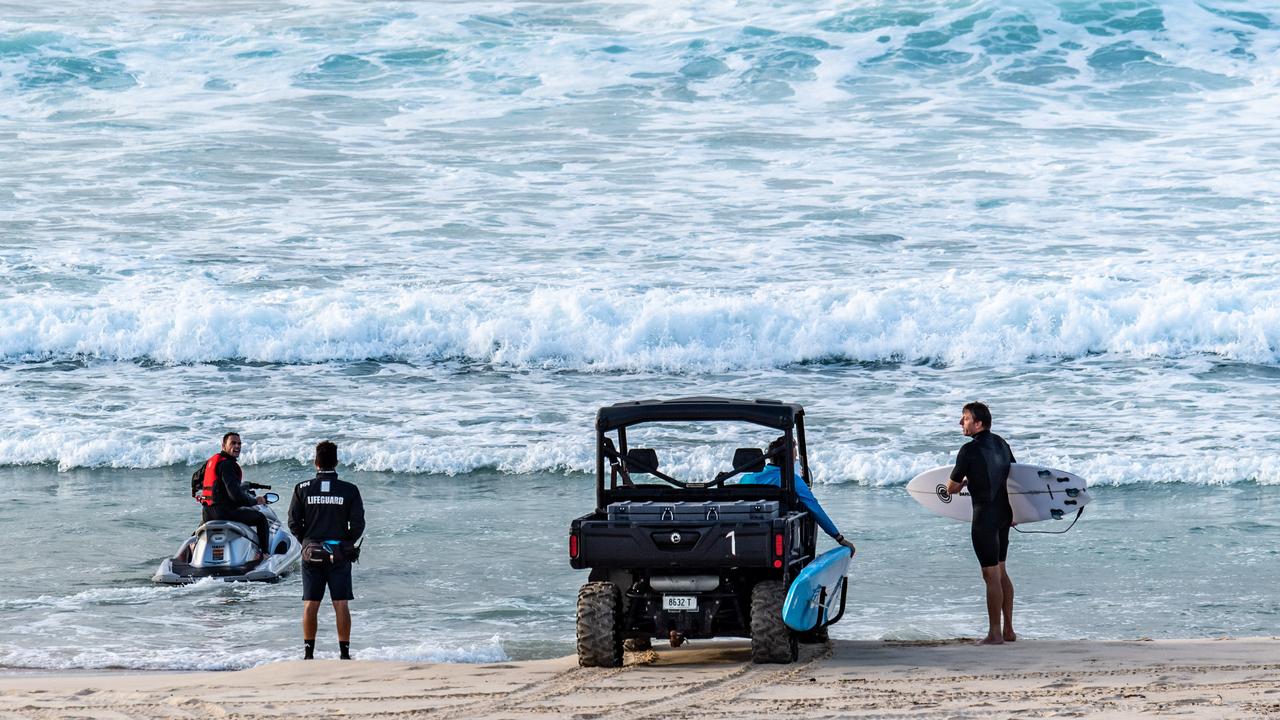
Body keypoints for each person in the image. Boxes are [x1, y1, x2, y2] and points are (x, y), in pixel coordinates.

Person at [946, 401, 1017, 645]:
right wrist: (1019, 512)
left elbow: (952, 487)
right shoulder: (1002, 444)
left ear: (978, 423)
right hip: (1004, 514)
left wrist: (961, 484)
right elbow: (1015, 476)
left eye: (964, 418)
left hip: (985, 517)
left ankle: (994, 633)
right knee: (1001, 570)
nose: (960, 422)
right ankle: (1009, 630)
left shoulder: (968, 450)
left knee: (990, 575)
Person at [289, 440, 365, 660]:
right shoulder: (349, 490)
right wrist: (345, 544)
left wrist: (307, 543)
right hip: (339, 554)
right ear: (337, 462)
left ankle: (308, 654)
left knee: (310, 603)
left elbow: (293, 522)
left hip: (311, 554)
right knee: (340, 603)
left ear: (316, 463)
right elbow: (358, 525)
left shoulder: (302, 488)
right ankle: (344, 654)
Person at [740, 435, 856, 554]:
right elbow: (815, 509)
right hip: (779, 533)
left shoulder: (746, 479)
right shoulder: (792, 481)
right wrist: (838, 537)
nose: (795, 461)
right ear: (788, 460)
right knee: (807, 509)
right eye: (794, 459)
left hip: (745, 534)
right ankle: (805, 556)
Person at [194, 432, 271, 561]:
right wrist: (255, 501)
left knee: (199, 530)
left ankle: (193, 547)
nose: (237, 446)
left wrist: (208, 492)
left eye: (239, 443)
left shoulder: (212, 462)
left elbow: (195, 479)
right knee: (261, 519)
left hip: (207, 513)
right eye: (233, 443)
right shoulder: (228, 464)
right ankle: (264, 554)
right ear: (224, 446)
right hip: (224, 513)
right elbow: (236, 497)